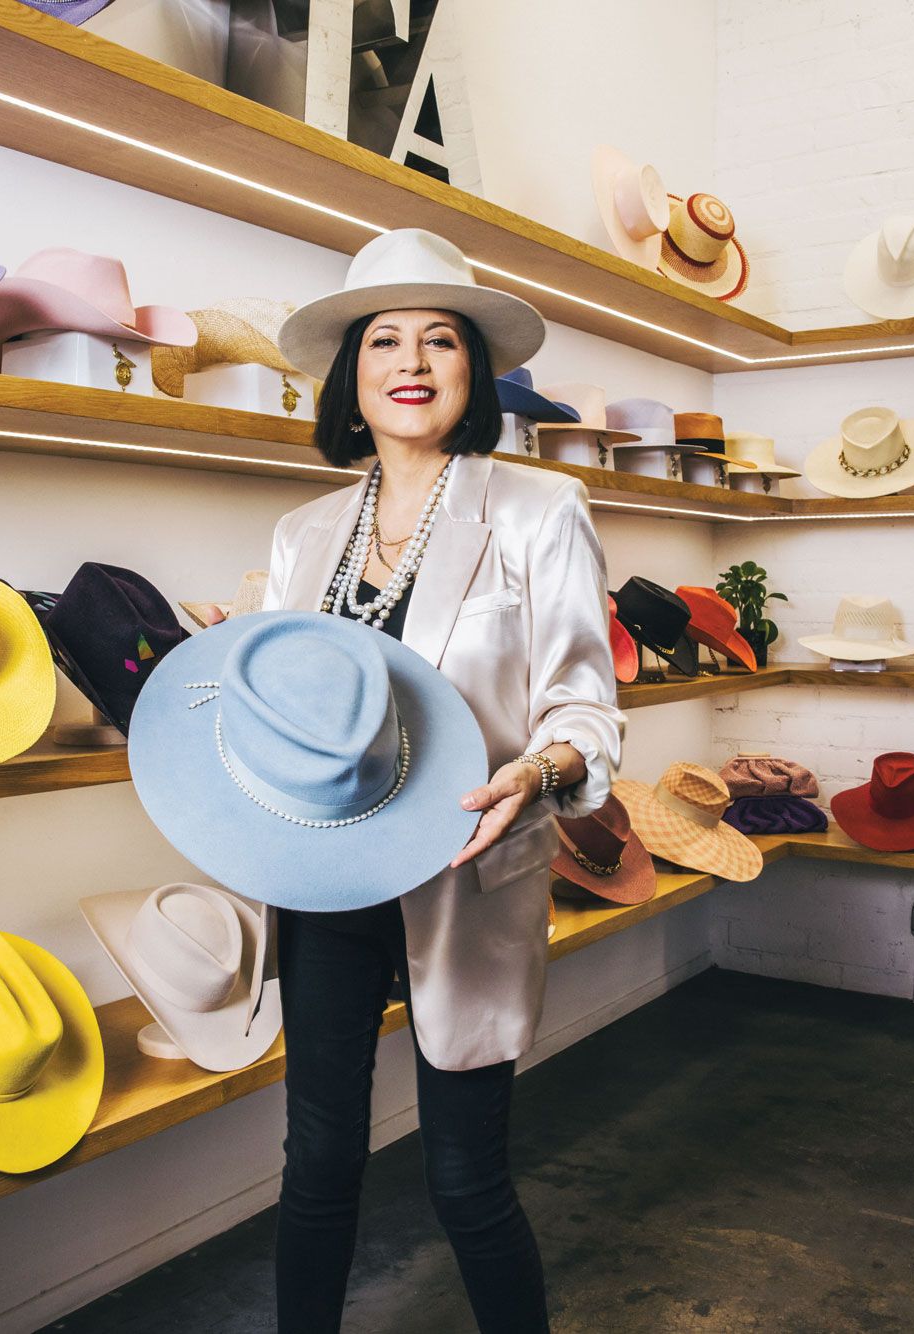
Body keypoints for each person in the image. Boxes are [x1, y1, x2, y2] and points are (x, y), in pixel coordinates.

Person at [264, 229, 625, 1332]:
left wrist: (542, 765)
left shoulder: (536, 510)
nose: (408, 359)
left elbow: (579, 700)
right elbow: (289, 708)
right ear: (352, 373)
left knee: (464, 1177)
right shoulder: (301, 533)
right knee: (316, 1162)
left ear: (470, 372)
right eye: (382, 339)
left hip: (465, 867)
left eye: (437, 339)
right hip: (325, 877)